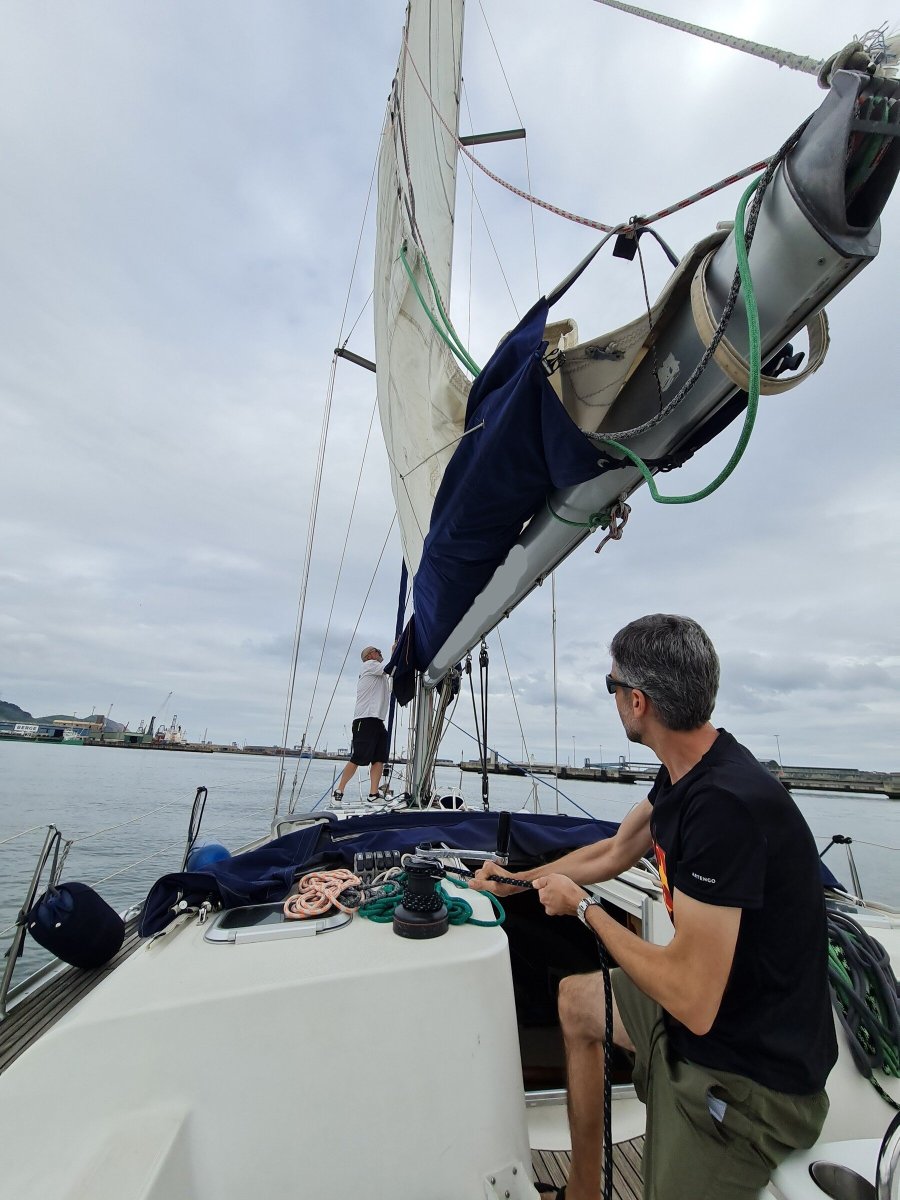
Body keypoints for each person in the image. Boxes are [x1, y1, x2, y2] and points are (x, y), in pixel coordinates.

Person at [472, 614, 837, 1200]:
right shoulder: (687, 771)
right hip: (722, 1014)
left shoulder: (724, 808)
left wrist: (586, 910)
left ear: (637, 701)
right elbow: (615, 851)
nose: (612, 696)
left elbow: (691, 998)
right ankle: (584, 1192)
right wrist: (513, 882)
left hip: (752, 1075)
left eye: (611, 685)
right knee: (577, 1002)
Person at [333, 645, 392, 806]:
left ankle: (373, 794)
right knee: (358, 757)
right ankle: (339, 791)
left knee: (379, 758)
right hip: (365, 719)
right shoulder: (370, 666)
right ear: (368, 656)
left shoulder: (378, 672)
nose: (380, 652)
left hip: (377, 721)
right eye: (376, 650)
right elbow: (391, 667)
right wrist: (397, 650)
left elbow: (393, 670)